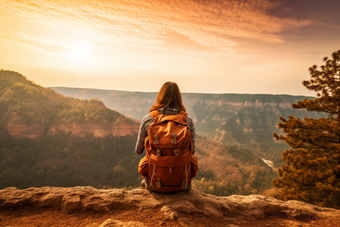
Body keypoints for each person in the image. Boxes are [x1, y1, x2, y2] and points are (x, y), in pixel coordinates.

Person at [135, 81, 197, 190]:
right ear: (179, 98)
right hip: (183, 184)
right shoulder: (188, 121)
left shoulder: (148, 119)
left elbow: (138, 150)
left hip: (154, 184)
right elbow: (192, 152)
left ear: (160, 96)